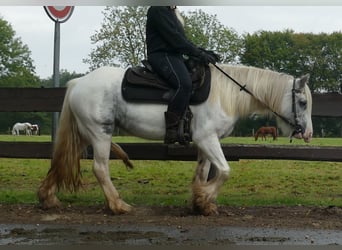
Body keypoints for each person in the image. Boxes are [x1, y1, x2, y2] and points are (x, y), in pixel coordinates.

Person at [146, 6, 218, 145]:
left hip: (175, 56)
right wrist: (197, 53)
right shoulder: (157, 9)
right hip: (161, 55)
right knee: (184, 84)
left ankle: (187, 123)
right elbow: (174, 38)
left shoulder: (171, 12)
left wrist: (200, 51)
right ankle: (171, 129)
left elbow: (182, 39)